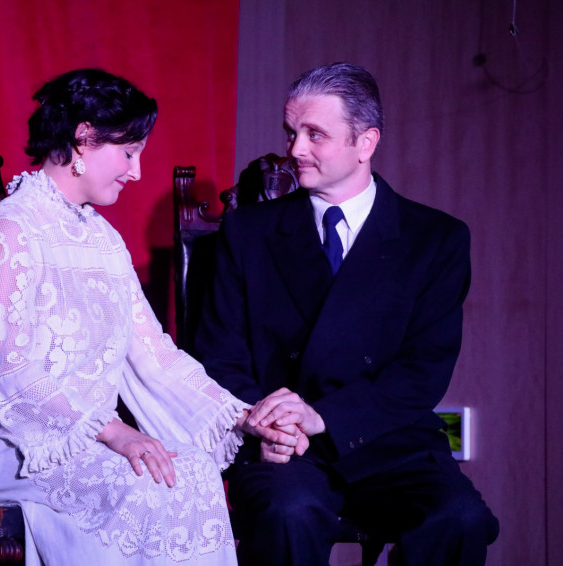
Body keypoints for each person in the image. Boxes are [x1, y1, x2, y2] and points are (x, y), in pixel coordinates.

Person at [0, 68, 257, 566]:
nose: (137, 172)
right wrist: (112, 431)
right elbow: (11, 370)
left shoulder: (103, 240)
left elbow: (156, 357)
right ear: (83, 138)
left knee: (191, 471)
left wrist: (242, 416)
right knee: (139, 482)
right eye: (129, 153)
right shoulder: (10, 228)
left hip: (88, 441)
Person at [194, 62, 500, 566]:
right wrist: (266, 423)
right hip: (282, 444)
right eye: (291, 132)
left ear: (366, 142)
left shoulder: (436, 238)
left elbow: (422, 371)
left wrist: (323, 416)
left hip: (388, 438)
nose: (295, 149)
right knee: (289, 513)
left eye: (315, 134)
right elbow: (217, 356)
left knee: (460, 519)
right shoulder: (247, 232)